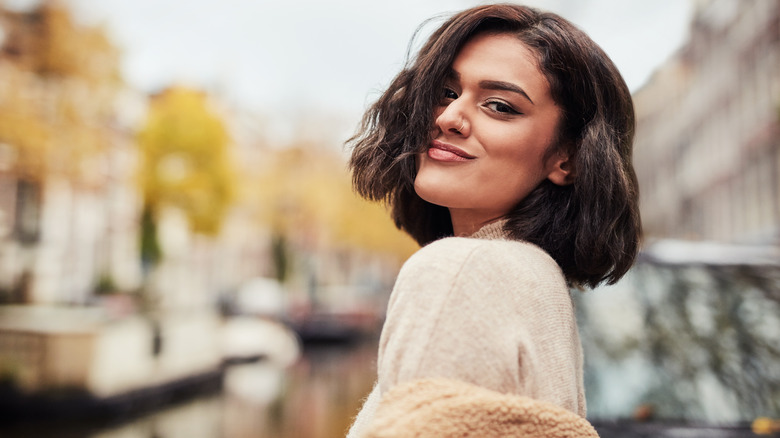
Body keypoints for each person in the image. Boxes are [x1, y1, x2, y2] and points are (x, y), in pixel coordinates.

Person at [346, 3, 641, 436]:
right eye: (446, 92)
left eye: (500, 105)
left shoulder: (461, 270)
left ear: (568, 158)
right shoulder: (537, 282)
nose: (448, 118)